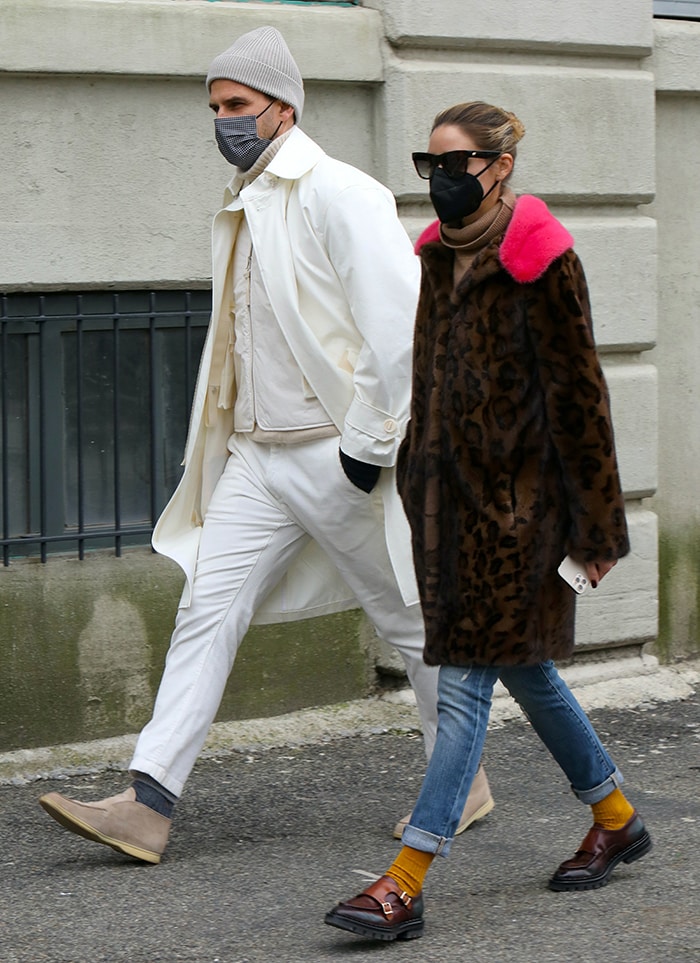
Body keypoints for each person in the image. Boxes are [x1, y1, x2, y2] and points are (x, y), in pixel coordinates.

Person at [38, 28, 494, 865]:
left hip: (336, 452)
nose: (224, 121)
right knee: (204, 615)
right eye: (215, 107)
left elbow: (402, 332)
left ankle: (459, 780)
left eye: (238, 106)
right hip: (257, 455)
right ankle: (147, 801)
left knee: (407, 618)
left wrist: (366, 446)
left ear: (284, 107)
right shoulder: (246, 196)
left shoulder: (340, 192)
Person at [324, 101, 652, 942]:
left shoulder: (545, 261)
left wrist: (596, 527)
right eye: (429, 163)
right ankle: (615, 816)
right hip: (448, 508)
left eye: (456, 163)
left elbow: (582, 400)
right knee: (527, 673)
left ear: (499, 166)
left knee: (465, 685)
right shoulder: (436, 258)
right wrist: (413, 481)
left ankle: (406, 879)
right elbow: (428, 385)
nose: (440, 180)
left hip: (522, 517)